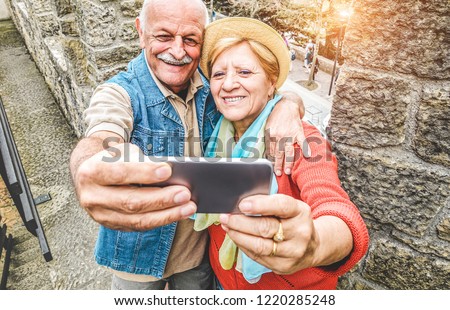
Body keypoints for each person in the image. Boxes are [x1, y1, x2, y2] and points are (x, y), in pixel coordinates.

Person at [69, 0, 308, 290]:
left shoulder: (215, 84)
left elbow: (260, 85)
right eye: (164, 36)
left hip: (198, 257)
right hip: (138, 261)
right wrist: (88, 167)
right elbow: (101, 133)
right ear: (141, 32)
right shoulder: (120, 91)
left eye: (190, 39)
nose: (178, 51)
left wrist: (288, 103)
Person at [195, 17, 369, 289]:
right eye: (219, 74)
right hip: (222, 281)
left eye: (244, 72)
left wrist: (315, 244)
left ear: (271, 82)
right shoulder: (213, 129)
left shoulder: (298, 137)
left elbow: (336, 208)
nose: (228, 84)